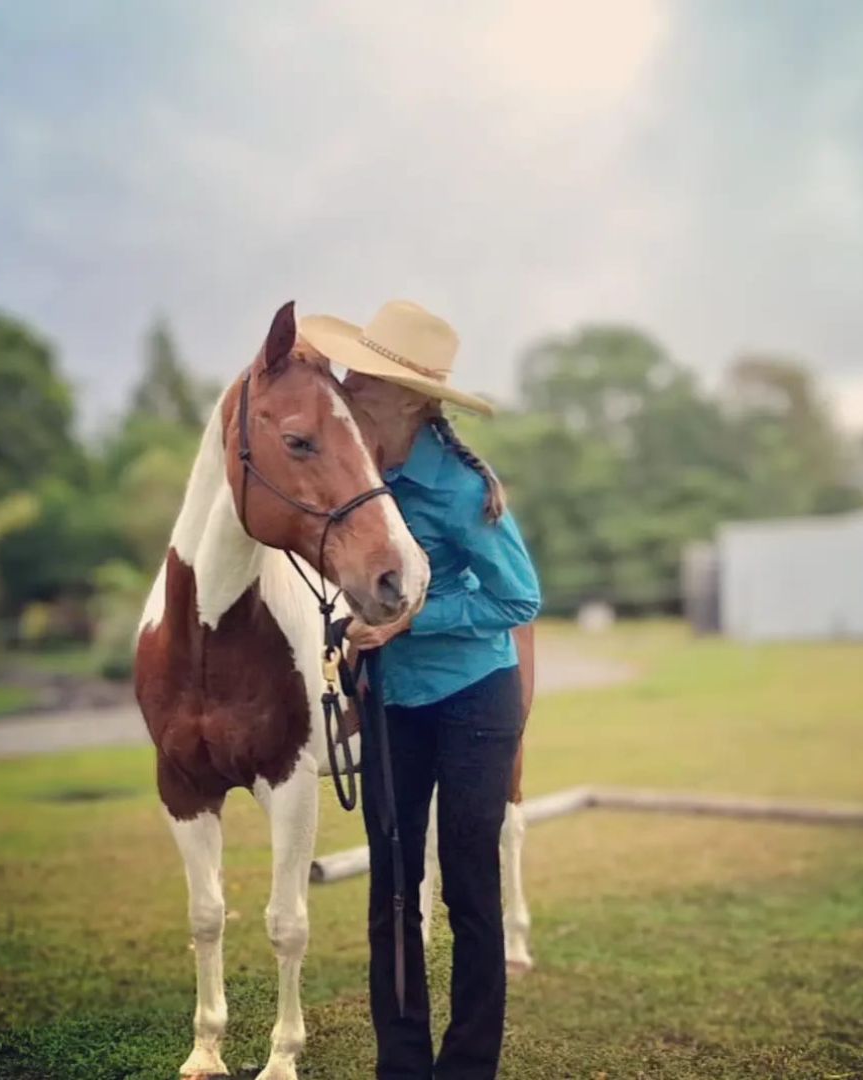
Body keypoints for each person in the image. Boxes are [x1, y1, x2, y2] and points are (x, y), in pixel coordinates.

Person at [300, 301, 541, 1080]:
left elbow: (519, 600)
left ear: (408, 399)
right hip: (391, 705)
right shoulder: (355, 468)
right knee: (391, 892)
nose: (345, 388)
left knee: (469, 893)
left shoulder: (463, 493)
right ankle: (400, 1067)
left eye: (360, 380)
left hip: (475, 700)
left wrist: (410, 620)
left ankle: (467, 1067)